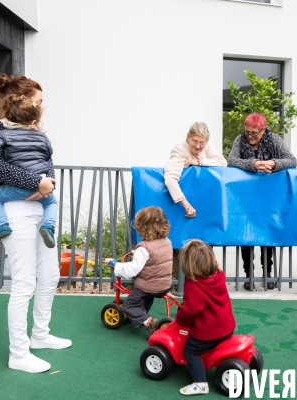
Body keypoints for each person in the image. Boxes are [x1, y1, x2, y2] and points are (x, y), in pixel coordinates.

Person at [0, 74, 70, 374]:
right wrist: (37, 182)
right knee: (24, 282)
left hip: (38, 206)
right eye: (40, 100)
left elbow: (47, 162)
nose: (43, 106)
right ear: (23, 99)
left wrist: (49, 183)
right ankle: (18, 353)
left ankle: (40, 335)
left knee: (49, 276)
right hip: (14, 209)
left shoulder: (36, 129)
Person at [0, 93, 57, 248]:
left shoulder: (3, 135)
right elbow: (48, 157)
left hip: (15, 187)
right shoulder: (43, 137)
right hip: (41, 186)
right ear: (33, 121)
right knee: (52, 203)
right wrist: (47, 180)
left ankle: (2, 226)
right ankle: (48, 226)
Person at [227, 112, 297, 290]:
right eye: (247, 132)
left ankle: (268, 274)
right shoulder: (239, 140)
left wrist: (273, 163)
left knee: (267, 236)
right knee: (246, 235)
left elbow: (292, 160)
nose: (249, 135)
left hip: (269, 197)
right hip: (245, 198)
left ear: (263, 129)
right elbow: (231, 160)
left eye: (254, 133)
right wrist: (254, 164)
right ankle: (248, 275)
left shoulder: (274, 139)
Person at [164, 122, 227, 292]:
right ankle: (183, 286)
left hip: (202, 205)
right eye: (194, 142)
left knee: (204, 245)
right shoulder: (179, 150)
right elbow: (170, 180)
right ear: (188, 138)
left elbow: (222, 162)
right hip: (181, 205)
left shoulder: (206, 147)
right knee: (180, 246)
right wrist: (186, 205)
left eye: (202, 143)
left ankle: (203, 285)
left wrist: (198, 162)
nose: (198, 146)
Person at [175, 240, 235, 396]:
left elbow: (191, 310)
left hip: (208, 333)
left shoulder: (194, 285)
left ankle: (200, 384)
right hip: (227, 327)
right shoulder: (219, 275)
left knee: (190, 350)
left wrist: (180, 318)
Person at [104, 206, 173, 339]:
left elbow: (132, 270)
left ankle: (148, 322)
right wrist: (139, 255)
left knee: (129, 304)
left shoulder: (144, 248)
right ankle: (141, 316)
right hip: (164, 284)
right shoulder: (167, 242)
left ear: (143, 228)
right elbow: (155, 258)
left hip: (149, 286)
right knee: (145, 298)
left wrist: (115, 264)